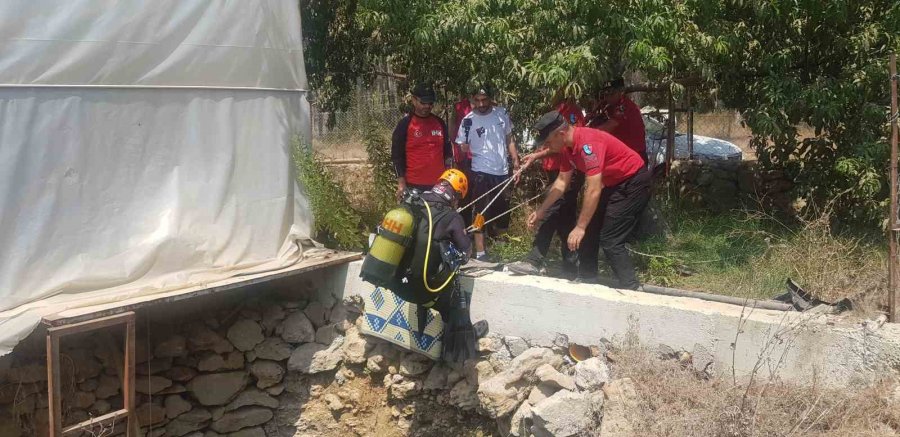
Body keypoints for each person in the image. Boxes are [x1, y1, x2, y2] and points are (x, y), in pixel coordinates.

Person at [527, 111, 651, 290]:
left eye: (548, 141)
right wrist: (541, 211)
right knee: (589, 232)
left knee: (610, 239)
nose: (547, 146)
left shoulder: (588, 144)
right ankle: (588, 280)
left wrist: (579, 227)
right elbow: (561, 183)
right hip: (613, 184)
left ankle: (632, 287)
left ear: (560, 134)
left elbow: (593, 189)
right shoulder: (567, 148)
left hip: (633, 182)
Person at [391, 169, 480, 362]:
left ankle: (422, 336)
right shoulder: (452, 217)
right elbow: (465, 254)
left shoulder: (414, 202)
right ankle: (457, 350)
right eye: (458, 198)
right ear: (455, 195)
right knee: (456, 300)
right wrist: (467, 236)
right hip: (427, 290)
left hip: (398, 284)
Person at [508, 94, 586, 279]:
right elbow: (550, 144)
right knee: (564, 219)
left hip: (568, 172)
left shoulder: (570, 114)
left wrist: (541, 210)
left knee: (550, 210)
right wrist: (536, 156)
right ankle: (572, 265)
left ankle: (534, 260)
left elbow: (570, 144)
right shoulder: (553, 113)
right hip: (557, 171)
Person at [455, 84, 519, 261]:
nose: (481, 104)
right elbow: (461, 147)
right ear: (473, 100)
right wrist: (463, 148)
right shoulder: (468, 120)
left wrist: (515, 161)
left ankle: (500, 249)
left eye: (484, 100)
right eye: (477, 100)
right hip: (481, 172)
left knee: (503, 211)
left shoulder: (502, 114)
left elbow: (509, 138)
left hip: (502, 171)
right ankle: (481, 252)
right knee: (481, 212)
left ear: (490, 98)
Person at [392, 83, 453, 200]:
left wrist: (448, 181)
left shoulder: (439, 123)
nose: (427, 106)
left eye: (430, 103)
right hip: (413, 187)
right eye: (423, 103)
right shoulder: (405, 125)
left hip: (438, 187)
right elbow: (396, 157)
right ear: (414, 100)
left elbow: (448, 154)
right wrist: (401, 184)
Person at [586, 77, 648, 165]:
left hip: (634, 155)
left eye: (611, 93)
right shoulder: (610, 106)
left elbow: (609, 126)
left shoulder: (624, 106)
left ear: (621, 92)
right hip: (623, 154)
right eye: (605, 93)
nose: (608, 97)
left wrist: (586, 133)